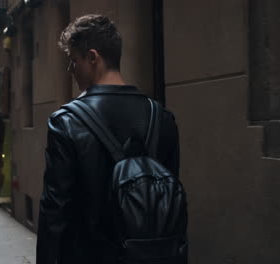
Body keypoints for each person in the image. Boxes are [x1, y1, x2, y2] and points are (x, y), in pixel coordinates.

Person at [37, 14, 181, 264]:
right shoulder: (162, 119)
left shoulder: (66, 122)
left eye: (74, 61)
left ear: (93, 57)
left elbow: (55, 214)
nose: (71, 71)